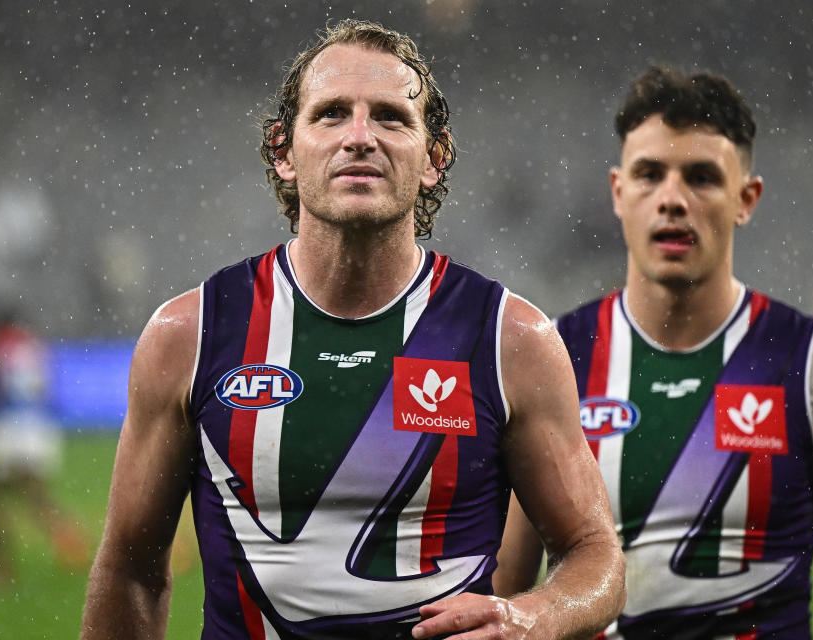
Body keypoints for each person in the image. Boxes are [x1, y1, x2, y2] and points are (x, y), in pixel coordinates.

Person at [80, 19, 624, 640]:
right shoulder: (190, 333)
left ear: (433, 157)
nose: (360, 137)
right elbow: (130, 569)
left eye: (392, 117)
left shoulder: (511, 341)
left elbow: (594, 554)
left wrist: (528, 617)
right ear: (284, 151)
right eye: (332, 113)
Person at [494, 66, 813, 638]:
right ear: (619, 193)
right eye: (650, 175)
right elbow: (505, 600)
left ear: (746, 198)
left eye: (700, 177)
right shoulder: (551, 359)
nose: (673, 199)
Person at [0, 308, 88, 579]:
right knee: (35, 497)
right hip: (38, 429)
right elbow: (48, 389)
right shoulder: (34, 345)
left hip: (8, 428)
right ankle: (72, 542)